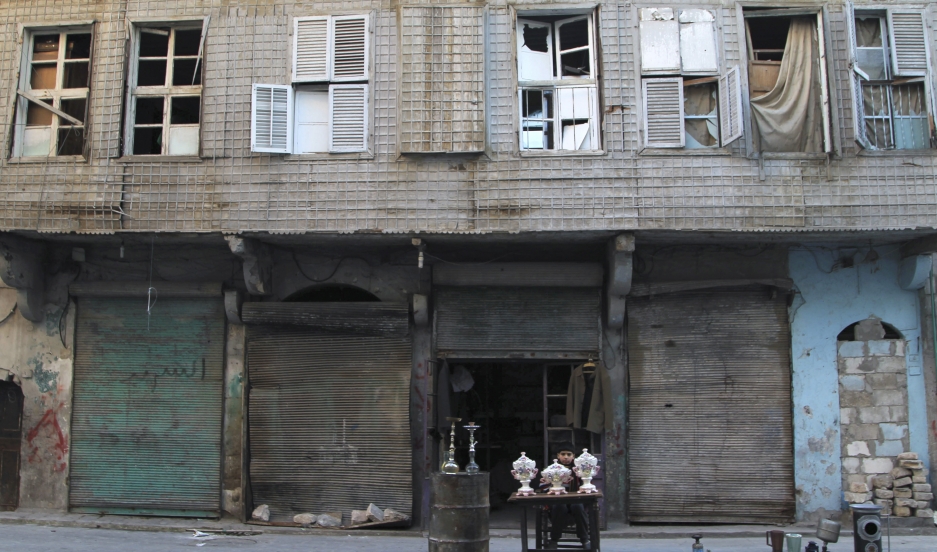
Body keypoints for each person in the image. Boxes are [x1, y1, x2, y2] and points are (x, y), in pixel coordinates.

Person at [540, 441, 590, 550]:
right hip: (556, 504)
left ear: (573, 456)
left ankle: (584, 539)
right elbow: (543, 486)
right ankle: (554, 540)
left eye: (569, 454)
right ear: (558, 456)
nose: (565, 457)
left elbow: (587, 486)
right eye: (563, 454)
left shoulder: (579, 470)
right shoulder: (551, 469)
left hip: (575, 503)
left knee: (577, 506)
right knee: (559, 506)